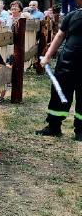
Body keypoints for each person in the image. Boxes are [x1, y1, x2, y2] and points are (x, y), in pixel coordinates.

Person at [36, 8, 82, 141]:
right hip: (67, 61)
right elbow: (60, 36)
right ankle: (53, 126)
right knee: (58, 93)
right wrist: (47, 56)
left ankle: (80, 131)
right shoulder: (73, 15)